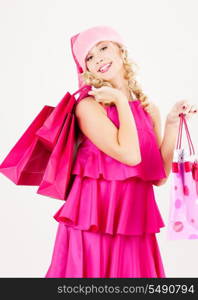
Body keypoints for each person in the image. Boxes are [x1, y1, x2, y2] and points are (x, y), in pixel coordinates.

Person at [45, 25, 198, 278]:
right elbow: (128, 154)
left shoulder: (149, 109)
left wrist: (171, 123)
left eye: (103, 48)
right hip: (94, 220)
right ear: (86, 69)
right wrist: (118, 99)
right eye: (89, 57)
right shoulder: (88, 106)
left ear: (120, 51)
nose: (98, 59)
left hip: (133, 218)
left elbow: (157, 176)